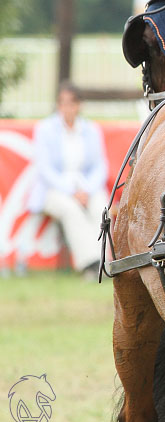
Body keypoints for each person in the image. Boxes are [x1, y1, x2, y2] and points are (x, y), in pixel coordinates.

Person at [27, 82, 107, 278]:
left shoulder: (91, 129)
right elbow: (45, 169)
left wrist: (86, 190)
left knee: (100, 207)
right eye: (62, 103)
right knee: (71, 209)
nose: (67, 108)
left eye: (71, 103)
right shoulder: (45, 129)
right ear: (58, 105)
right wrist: (72, 191)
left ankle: (104, 261)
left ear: (79, 105)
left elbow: (100, 166)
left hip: (86, 186)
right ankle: (91, 264)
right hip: (53, 189)